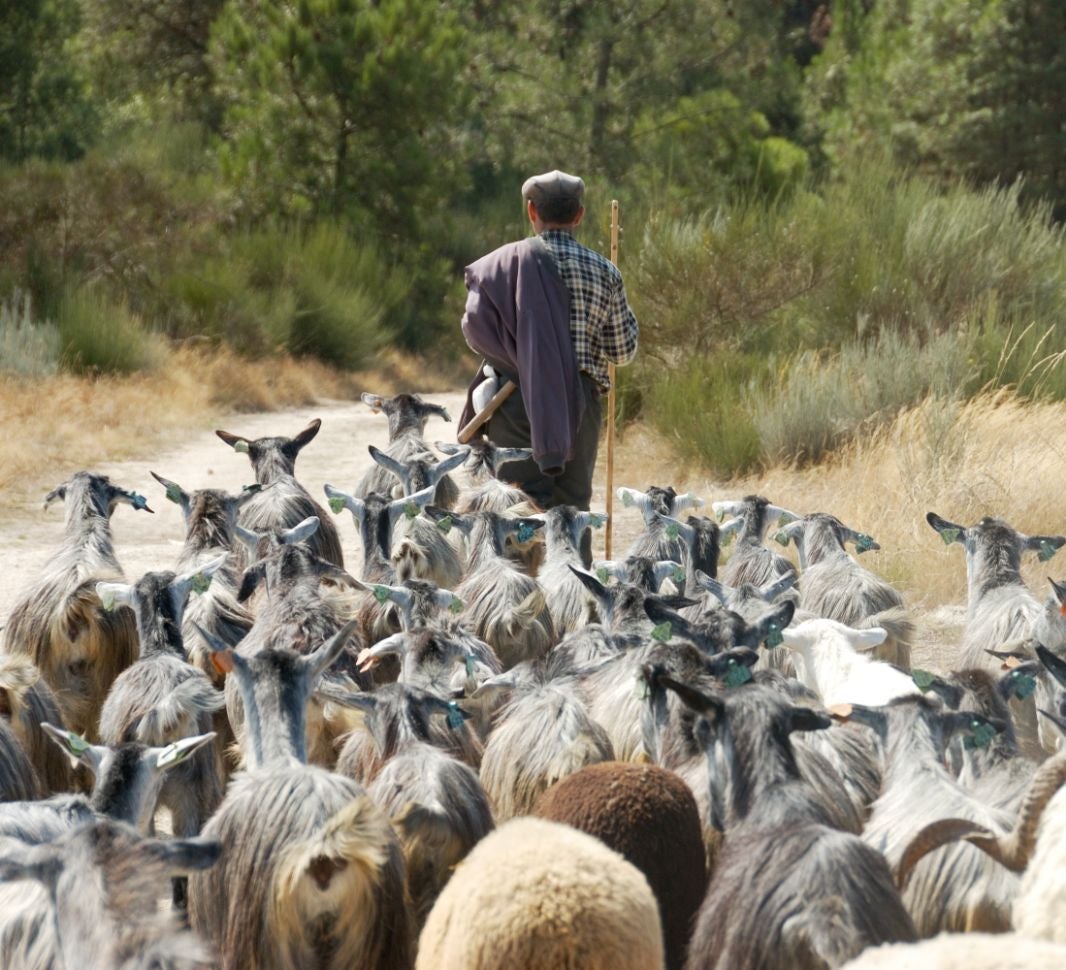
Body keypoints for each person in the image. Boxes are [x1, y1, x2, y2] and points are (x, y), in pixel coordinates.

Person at [459, 170, 639, 536]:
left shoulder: (503, 265)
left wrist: (517, 359)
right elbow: (622, 351)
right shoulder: (605, 271)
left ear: (531, 211)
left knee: (517, 505)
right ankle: (575, 589)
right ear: (579, 215)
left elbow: (474, 330)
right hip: (580, 403)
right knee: (573, 510)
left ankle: (519, 586)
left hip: (516, 399)